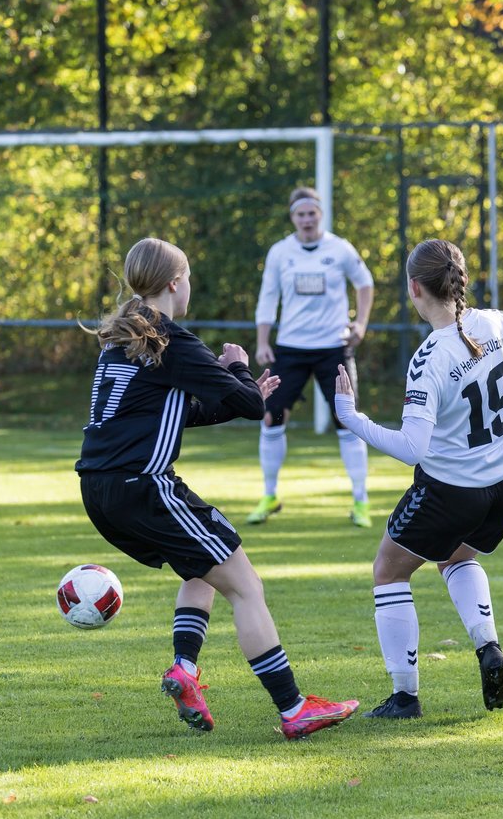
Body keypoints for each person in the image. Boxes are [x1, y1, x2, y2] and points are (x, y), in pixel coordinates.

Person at [75, 236, 358, 739]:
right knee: (247, 587)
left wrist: (235, 389)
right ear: (173, 283)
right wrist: (238, 368)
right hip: (143, 486)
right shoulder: (170, 339)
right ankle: (294, 710)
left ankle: (184, 669)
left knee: (201, 569)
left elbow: (174, 413)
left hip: (101, 490)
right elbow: (252, 406)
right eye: (188, 279)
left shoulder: (123, 337)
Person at [333, 238, 503, 719]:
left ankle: (405, 698)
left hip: (453, 490)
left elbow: (412, 449)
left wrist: (352, 418)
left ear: (414, 288)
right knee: (455, 557)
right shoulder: (500, 323)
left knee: (388, 570)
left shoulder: (429, 358)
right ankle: (488, 647)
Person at [246, 186, 376, 528]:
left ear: (321, 215)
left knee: (347, 420)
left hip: (333, 348)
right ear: (293, 217)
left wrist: (361, 323)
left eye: (312, 213)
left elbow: (365, 283)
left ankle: (361, 501)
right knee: (271, 417)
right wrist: (263, 340)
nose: (306, 220)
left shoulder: (340, 248)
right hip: (289, 349)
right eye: (300, 214)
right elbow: (267, 297)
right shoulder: (280, 253)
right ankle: (269, 494)